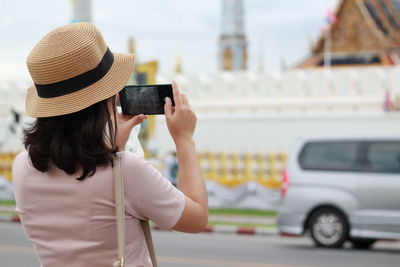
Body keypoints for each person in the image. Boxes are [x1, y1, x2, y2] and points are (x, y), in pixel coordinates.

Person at [12, 22, 208, 267]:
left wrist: (113, 148)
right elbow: (196, 218)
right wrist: (184, 138)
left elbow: (84, 196)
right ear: (108, 96)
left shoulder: (22, 166)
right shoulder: (126, 170)